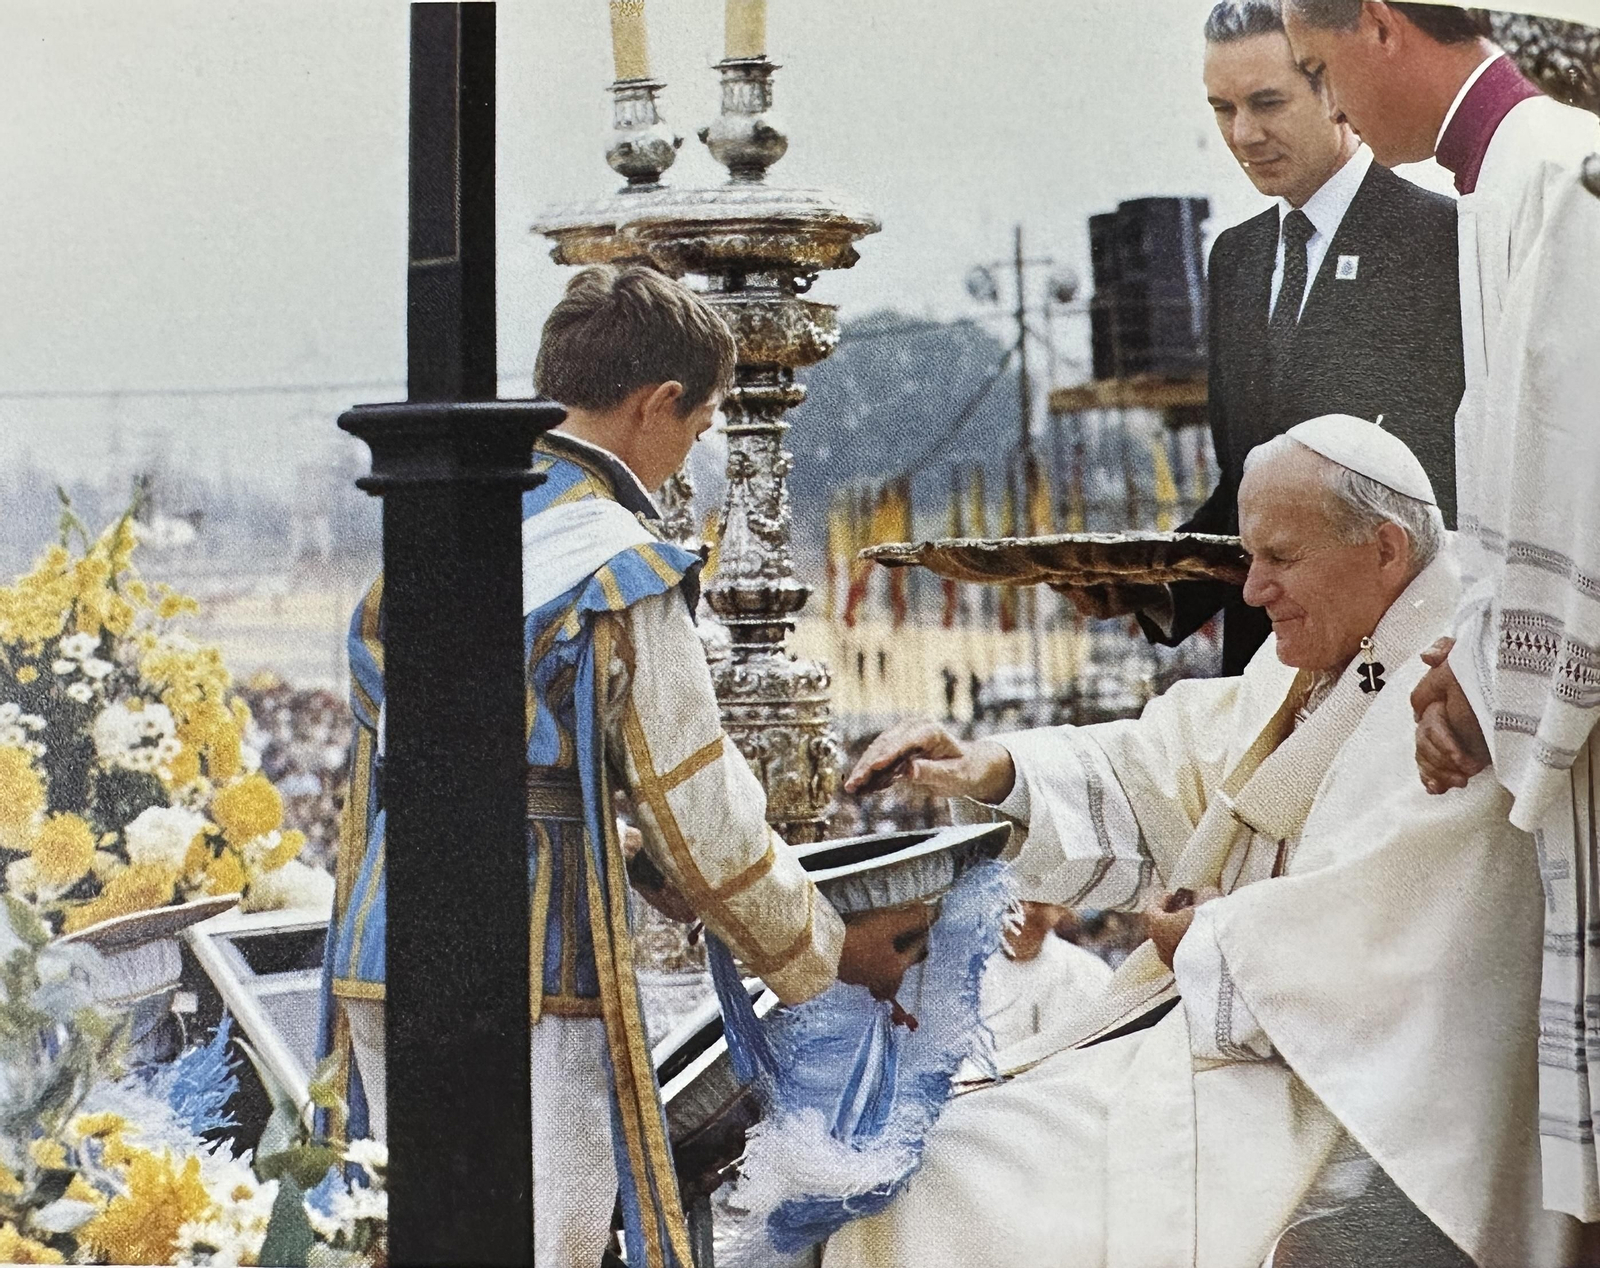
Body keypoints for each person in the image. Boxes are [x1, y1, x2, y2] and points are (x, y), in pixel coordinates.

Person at [829, 417, 1580, 1267]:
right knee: (923, 1150)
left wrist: (1215, 938)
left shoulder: (1459, 705)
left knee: (950, 1178)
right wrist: (990, 767)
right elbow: (1166, 767)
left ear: (1385, 549)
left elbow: (1399, 945)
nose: (1252, 591)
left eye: (1280, 559)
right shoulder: (1324, 651)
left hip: (1342, 1105)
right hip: (1224, 1058)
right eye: (1250, 557)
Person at [318, 265, 924, 1266]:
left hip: (384, 941)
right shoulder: (620, 563)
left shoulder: (433, 528)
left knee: (404, 1235)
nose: (694, 450)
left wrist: (625, 844)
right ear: (657, 404)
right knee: (537, 1243)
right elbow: (703, 812)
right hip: (532, 967)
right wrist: (828, 951)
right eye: (699, 424)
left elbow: (443, 756)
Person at [1280, 0, 1600, 1223]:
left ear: (1377, 23)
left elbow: (1580, 477)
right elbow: (1509, 475)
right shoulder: (1492, 189)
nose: (1328, 112)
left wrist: (1487, 679)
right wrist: (1466, 651)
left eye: (1316, 71)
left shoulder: (1557, 173)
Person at [1082, 0, 1464, 676]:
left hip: (1393, 669)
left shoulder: (1439, 241)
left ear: (1335, 88)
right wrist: (1149, 583)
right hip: (1263, 668)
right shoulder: (1237, 258)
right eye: (1222, 109)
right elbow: (1246, 486)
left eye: (1267, 103)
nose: (1244, 134)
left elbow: (1444, 488)